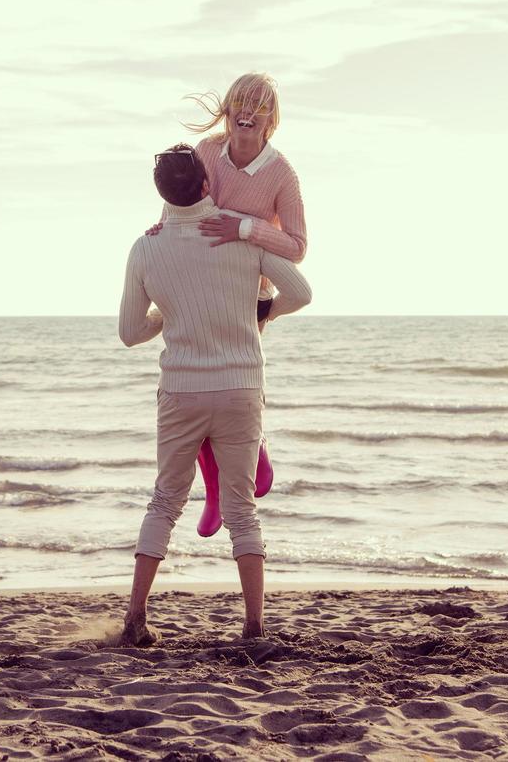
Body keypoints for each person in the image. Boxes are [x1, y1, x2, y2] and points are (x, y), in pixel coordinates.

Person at [119, 144, 312, 644]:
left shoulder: (146, 247)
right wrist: (261, 314)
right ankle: (253, 627)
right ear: (206, 185)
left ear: (162, 195)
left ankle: (136, 618)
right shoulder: (237, 231)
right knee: (242, 507)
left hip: (181, 388)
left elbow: (129, 332)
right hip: (241, 387)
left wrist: (170, 315)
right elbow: (300, 293)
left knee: (165, 501)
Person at [147, 72, 308, 537]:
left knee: (232, 385)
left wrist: (241, 227)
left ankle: (254, 457)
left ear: (270, 119)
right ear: (229, 108)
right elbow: (183, 203)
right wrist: (163, 225)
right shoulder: (207, 153)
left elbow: (296, 246)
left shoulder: (281, 174)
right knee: (194, 384)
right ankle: (215, 490)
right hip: (199, 285)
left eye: (259, 105)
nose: (248, 110)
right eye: (241, 101)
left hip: (247, 292)